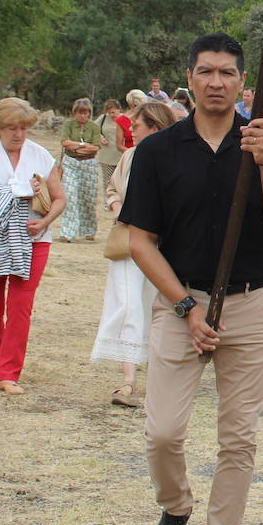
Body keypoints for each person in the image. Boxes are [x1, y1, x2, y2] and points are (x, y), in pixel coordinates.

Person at [120, 32, 263, 525]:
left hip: (249, 306)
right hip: (182, 303)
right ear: (191, 77)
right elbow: (140, 242)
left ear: (243, 82)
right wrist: (184, 304)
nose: (216, 82)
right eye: (206, 72)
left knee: (238, 440)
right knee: (163, 432)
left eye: (227, 73)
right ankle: (175, 507)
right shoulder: (158, 151)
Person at [0, 98, 66, 394]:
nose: (19, 134)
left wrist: (45, 221)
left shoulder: (41, 155)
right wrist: (17, 192)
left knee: (20, 307)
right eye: (12, 128)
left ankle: (9, 373)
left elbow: (60, 198)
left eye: (23, 128)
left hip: (32, 242)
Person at [92, 100, 178, 406]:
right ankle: (128, 380)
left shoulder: (175, 159)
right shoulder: (129, 156)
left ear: (154, 127)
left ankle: (159, 378)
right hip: (128, 243)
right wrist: (118, 209)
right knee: (128, 305)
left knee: (158, 308)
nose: (132, 131)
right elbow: (113, 189)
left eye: (138, 126)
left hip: (163, 247)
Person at [58, 97, 101, 242]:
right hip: (70, 163)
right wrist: (84, 146)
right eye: (80, 113)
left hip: (88, 165)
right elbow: (65, 143)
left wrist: (77, 147)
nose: (83, 116)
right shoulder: (68, 125)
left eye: (85, 113)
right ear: (74, 112)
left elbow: (95, 147)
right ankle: (67, 232)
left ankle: (89, 230)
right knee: (69, 196)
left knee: (87, 198)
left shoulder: (94, 127)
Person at [96, 99, 127, 197]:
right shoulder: (103, 118)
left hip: (121, 156)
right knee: (108, 181)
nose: (111, 115)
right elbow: (93, 129)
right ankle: (108, 202)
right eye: (109, 113)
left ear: (119, 109)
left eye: (113, 112)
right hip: (106, 156)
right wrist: (100, 138)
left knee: (121, 180)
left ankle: (121, 201)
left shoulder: (126, 118)